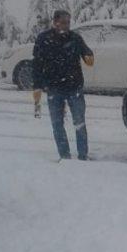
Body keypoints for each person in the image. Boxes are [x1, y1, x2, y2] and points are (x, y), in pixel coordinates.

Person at [32, 9, 94, 160]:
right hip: (54, 89)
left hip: (75, 87)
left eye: (68, 22)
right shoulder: (44, 39)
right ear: (55, 22)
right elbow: (37, 64)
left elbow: (87, 53)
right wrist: (37, 87)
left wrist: (88, 56)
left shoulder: (75, 38)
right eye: (63, 22)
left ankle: (83, 155)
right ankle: (64, 155)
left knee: (79, 123)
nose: (66, 25)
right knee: (57, 124)